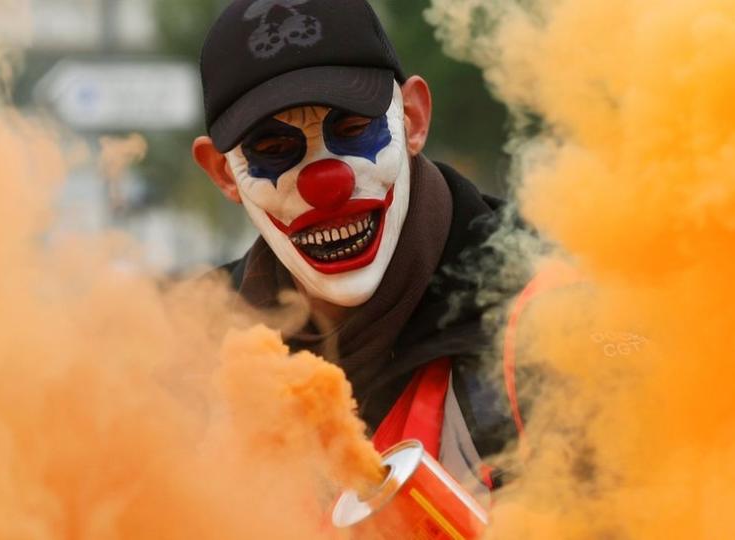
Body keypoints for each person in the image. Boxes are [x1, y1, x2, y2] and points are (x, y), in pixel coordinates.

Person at [192, 0, 524, 496]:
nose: (328, 184)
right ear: (224, 174)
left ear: (412, 119)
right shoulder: (193, 346)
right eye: (275, 150)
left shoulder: (545, 318)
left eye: (351, 131)